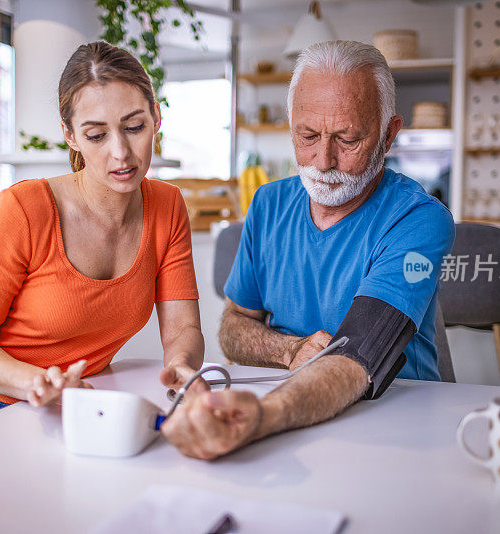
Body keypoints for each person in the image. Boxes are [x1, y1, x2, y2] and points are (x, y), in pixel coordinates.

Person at [161, 41, 456, 460]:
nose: (323, 160)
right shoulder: (268, 204)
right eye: (308, 136)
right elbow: (233, 327)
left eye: (348, 139)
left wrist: (264, 416)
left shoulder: (418, 220)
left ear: (389, 134)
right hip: (287, 417)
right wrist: (289, 350)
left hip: (395, 424)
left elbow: (358, 357)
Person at [0, 42, 205, 435]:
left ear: (155, 117)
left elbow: (182, 330)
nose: (121, 153)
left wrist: (181, 368)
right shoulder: (23, 209)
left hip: (81, 406)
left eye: (134, 127)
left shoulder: (168, 206)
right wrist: (37, 383)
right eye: (96, 135)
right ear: (71, 136)